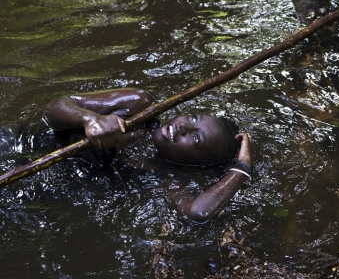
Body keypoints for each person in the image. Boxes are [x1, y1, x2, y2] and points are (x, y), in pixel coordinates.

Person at [43, 87, 254, 223]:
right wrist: (89, 119)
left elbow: (196, 213)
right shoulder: (139, 105)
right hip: (21, 143)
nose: (183, 127)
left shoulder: (168, 180)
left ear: (193, 164)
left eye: (196, 139)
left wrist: (243, 166)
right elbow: (55, 106)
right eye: (193, 118)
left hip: (45, 194)